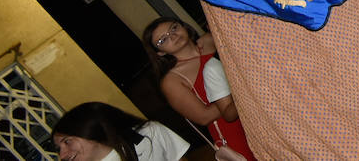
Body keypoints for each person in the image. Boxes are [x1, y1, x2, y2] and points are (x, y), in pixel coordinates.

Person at [141, 17, 255, 159]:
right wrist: (239, 93)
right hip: (231, 128)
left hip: (258, 108)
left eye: (174, 28)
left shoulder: (210, 39)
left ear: (183, 25)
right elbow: (203, 117)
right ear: (160, 52)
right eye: (163, 40)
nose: (173, 36)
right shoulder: (172, 80)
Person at [52, 102, 189, 161]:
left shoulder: (148, 133)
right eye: (59, 149)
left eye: (67, 142)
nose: (62, 155)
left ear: (90, 131)